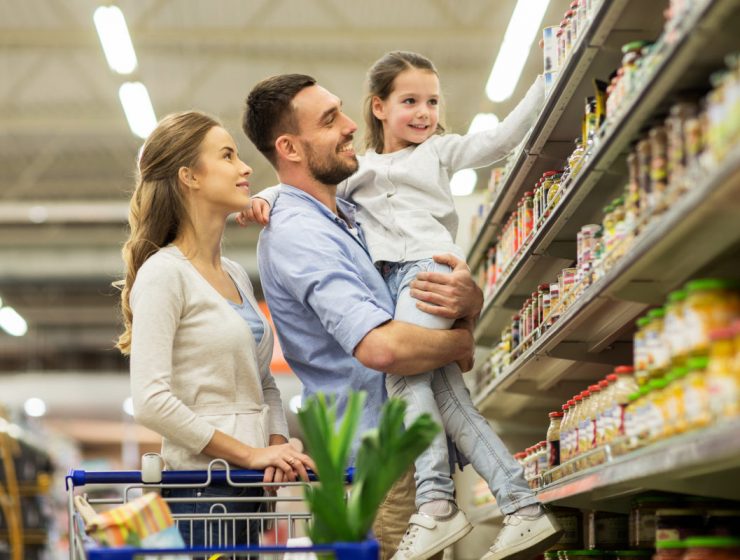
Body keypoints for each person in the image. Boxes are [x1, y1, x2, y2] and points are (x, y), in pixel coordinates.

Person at [243, 52, 562, 560]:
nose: (349, 126)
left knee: (454, 405)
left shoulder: (350, 209)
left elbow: (497, 140)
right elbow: (385, 350)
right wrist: (459, 338)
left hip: (400, 433)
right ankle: (504, 505)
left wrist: (469, 303)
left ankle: (477, 506)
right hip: (381, 451)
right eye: (330, 119)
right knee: (441, 398)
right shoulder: (304, 224)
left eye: (432, 101)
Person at [114, 110, 315, 549]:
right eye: (227, 156)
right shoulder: (164, 274)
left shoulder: (235, 273)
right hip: (201, 493)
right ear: (189, 177)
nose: (245, 168)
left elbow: (263, 384)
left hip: (251, 490)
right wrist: (249, 454)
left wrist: (276, 449)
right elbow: (150, 400)